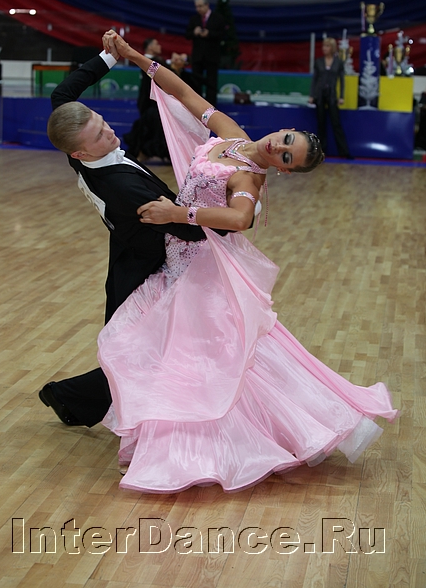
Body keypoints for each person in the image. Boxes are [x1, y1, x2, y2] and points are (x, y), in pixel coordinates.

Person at [97, 31, 398, 494]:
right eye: (286, 140)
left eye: (287, 156)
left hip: (200, 270)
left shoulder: (248, 178)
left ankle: (187, 449)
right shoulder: (233, 137)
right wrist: (135, 57)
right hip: (178, 263)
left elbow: (239, 219)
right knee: (192, 354)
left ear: (284, 169)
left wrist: (178, 214)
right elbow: (185, 94)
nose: (279, 147)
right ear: (284, 129)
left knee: (191, 357)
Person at [39, 39, 213, 428]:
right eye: (100, 136)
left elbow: (62, 93)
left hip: (126, 247)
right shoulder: (123, 188)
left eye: (103, 122)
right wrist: (234, 214)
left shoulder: (72, 136)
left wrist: (110, 57)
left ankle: (72, 398)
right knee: (136, 346)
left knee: (133, 345)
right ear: (80, 154)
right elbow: (190, 230)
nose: (110, 132)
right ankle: (70, 396)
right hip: (143, 265)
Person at [124, 37, 171, 162]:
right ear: (149, 47)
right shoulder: (148, 61)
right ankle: (144, 152)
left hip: (154, 102)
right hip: (150, 102)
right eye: (156, 44)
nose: (159, 46)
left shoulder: (153, 61)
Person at [309, 37, 353, 159]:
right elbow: (314, 79)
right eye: (324, 46)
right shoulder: (318, 62)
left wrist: (341, 96)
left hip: (332, 95)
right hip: (320, 95)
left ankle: (344, 151)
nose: (324, 48)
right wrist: (312, 95)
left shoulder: (338, 63)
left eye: (327, 46)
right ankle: (320, 152)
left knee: (336, 123)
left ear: (332, 48)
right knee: (321, 124)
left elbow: (342, 81)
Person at [185, 0, 226, 106]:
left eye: (200, 6)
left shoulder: (217, 18)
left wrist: (209, 34)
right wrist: (194, 32)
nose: (198, 9)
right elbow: (187, 35)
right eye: (196, 7)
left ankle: (211, 107)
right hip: (197, 56)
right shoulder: (194, 19)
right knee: (196, 81)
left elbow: (222, 35)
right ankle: (196, 105)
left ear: (207, 5)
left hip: (211, 56)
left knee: (211, 82)